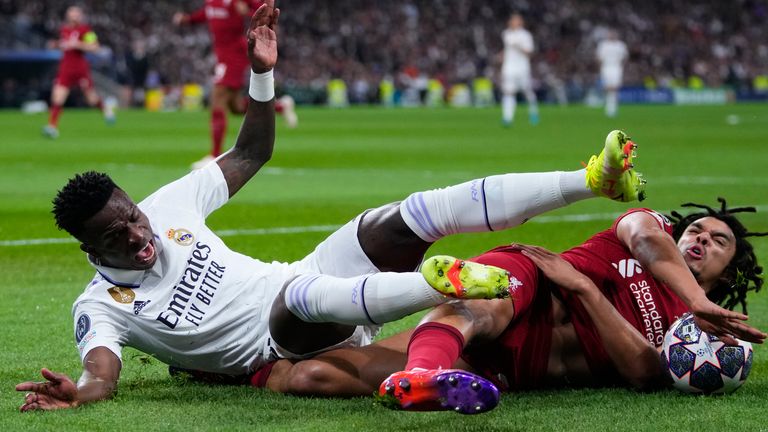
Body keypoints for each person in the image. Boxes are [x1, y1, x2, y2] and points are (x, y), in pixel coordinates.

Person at [16, 3, 649, 411]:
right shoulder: (101, 306)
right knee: (296, 301)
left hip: (315, 276)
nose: (136, 233)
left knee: (398, 216)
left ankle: (592, 178)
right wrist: (84, 393)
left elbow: (252, 149)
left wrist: (262, 75)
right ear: (90, 251)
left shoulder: (168, 205)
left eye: (132, 217)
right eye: (116, 235)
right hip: (285, 343)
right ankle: (434, 284)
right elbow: (102, 370)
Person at [254, 200, 766, 415]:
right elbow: (648, 236)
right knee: (479, 304)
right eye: (696, 229)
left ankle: (236, 375)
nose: (700, 238)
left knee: (312, 380)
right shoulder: (647, 233)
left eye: (718, 242)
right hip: (531, 283)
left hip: (517, 366)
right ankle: (423, 375)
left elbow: (642, 372)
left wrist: (585, 289)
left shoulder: (691, 336)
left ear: (731, 271)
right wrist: (696, 298)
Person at [173, 0, 297, 170]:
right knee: (236, 107)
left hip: (234, 56)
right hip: (223, 56)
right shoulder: (212, 2)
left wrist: (247, 11)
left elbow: (262, 8)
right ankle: (281, 107)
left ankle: (214, 155)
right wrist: (187, 19)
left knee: (218, 97)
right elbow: (206, 15)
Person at [42, 6, 116, 139]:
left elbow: (95, 47)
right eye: (72, 13)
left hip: (80, 69)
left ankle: (105, 109)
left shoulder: (85, 30)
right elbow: (64, 45)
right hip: (65, 68)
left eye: (76, 14)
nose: (74, 16)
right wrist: (56, 44)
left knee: (91, 99)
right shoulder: (63, 29)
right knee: (57, 97)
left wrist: (78, 44)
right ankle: (52, 126)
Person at [500, 13, 539, 127]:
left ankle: (533, 113)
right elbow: (507, 50)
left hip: (522, 68)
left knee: (527, 91)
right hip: (508, 68)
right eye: (512, 20)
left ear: (521, 22)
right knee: (508, 92)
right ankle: (507, 118)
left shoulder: (526, 36)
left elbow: (529, 53)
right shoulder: (506, 34)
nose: (513, 22)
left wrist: (518, 46)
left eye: (515, 20)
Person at [596, 30, 628, 118]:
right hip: (606, 67)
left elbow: (624, 57)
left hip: (616, 67)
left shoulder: (620, 45)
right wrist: (601, 69)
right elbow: (599, 57)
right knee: (607, 87)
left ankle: (612, 108)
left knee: (615, 88)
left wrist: (621, 67)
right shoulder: (603, 45)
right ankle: (610, 108)